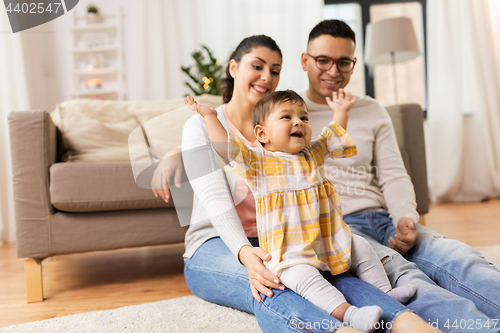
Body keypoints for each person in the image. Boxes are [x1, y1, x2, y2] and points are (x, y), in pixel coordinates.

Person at [154, 35, 442, 333]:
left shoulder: (287, 136)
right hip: (218, 244)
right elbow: (215, 199)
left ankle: (405, 323)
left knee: (343, 275)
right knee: (274, 284)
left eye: (275, 70)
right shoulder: (205, 128)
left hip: (288, 241)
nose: (267, 77)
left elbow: (330, 138)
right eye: (257, 65)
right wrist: (244, 253)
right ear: (234, 67)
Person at [298, 19, 500, 332]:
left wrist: (405, 217)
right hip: (340, 229)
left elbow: (393, 174)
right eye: (323, 60)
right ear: (305, 61)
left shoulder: (371, 109)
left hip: (383, 217)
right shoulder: (289, 115)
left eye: (344, 62)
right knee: (406, 278)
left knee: (460, 257)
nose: (333, 71)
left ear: (354, 64)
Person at [183, 89, 417, 331]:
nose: (298, 122)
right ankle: (350, 315)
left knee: (363, 248)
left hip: (326, 242)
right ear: (262, 133)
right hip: (289, 254)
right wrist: (210, 116)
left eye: (304, 118)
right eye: (287, 117)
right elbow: (226, 148)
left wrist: (341, 111)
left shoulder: (311, 155)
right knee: (307, 281)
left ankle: (387, 295)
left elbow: (332, 136)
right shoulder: (258, 163)